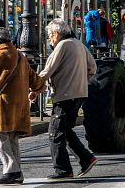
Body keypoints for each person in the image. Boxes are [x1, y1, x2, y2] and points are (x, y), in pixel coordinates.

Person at [36, 19, 98, 179]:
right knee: (65, 130)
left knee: (55, 133)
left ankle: (63, 170)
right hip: (79, 94)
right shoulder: (79, 44)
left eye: (50, 35)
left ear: (56, 33)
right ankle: (86, 158)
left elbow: (47, 70)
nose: (50, 39)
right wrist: (81, 80)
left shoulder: (62, 46)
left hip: (64, 95)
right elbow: (93, 68)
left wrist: (34, 87)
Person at [0, 27, 45, 185]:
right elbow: (33, 78)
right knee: (11, 138)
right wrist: (38, 88)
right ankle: (16, 174)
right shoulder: (19, 55)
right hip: (20, 104)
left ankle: (12, 170)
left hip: (4, 105)